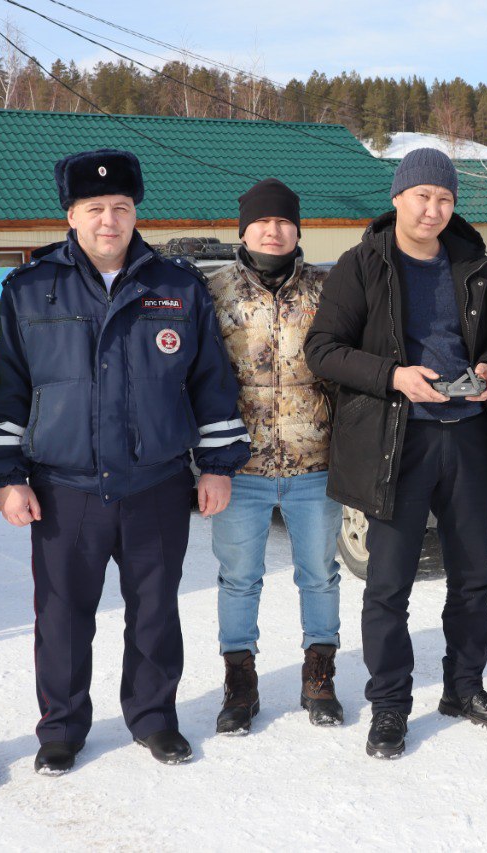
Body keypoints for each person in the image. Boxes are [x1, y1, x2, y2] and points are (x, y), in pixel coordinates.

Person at [0, 149, 250, 773]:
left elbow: (210, 380)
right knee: (64, 616)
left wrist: (217, 464)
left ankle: (154, 718)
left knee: (155, 609)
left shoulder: (177, 286)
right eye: (95, 208)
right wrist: (8, 476)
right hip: (63, 486)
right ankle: (62, 728)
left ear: (135, 213)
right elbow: (7, 389)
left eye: (121, 208)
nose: (109, 220)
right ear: (70, 214)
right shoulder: (28, 289)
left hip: (153, 482)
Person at [305, 148, 487, 759]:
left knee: (475, 576)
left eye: (445, 199)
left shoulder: (471, 263)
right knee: (390, 583)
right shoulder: (362, 264)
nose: (433, 209)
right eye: (422, 196)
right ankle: (391, 706)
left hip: (468, 434)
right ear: (398, 198)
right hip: (397, 441)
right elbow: (322, 348)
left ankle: (463, 688)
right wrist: (393, 376)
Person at [207, 178, 343, 734]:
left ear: (297, 229)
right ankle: (240, 681)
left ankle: (320, 675)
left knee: (321, 576)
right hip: (241, 466)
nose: (273, 229)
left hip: (316, 462)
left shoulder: (328, 289)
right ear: (244, 229)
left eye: (283, 221)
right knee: (239, 578)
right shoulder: (214, 292)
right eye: (262, 221)